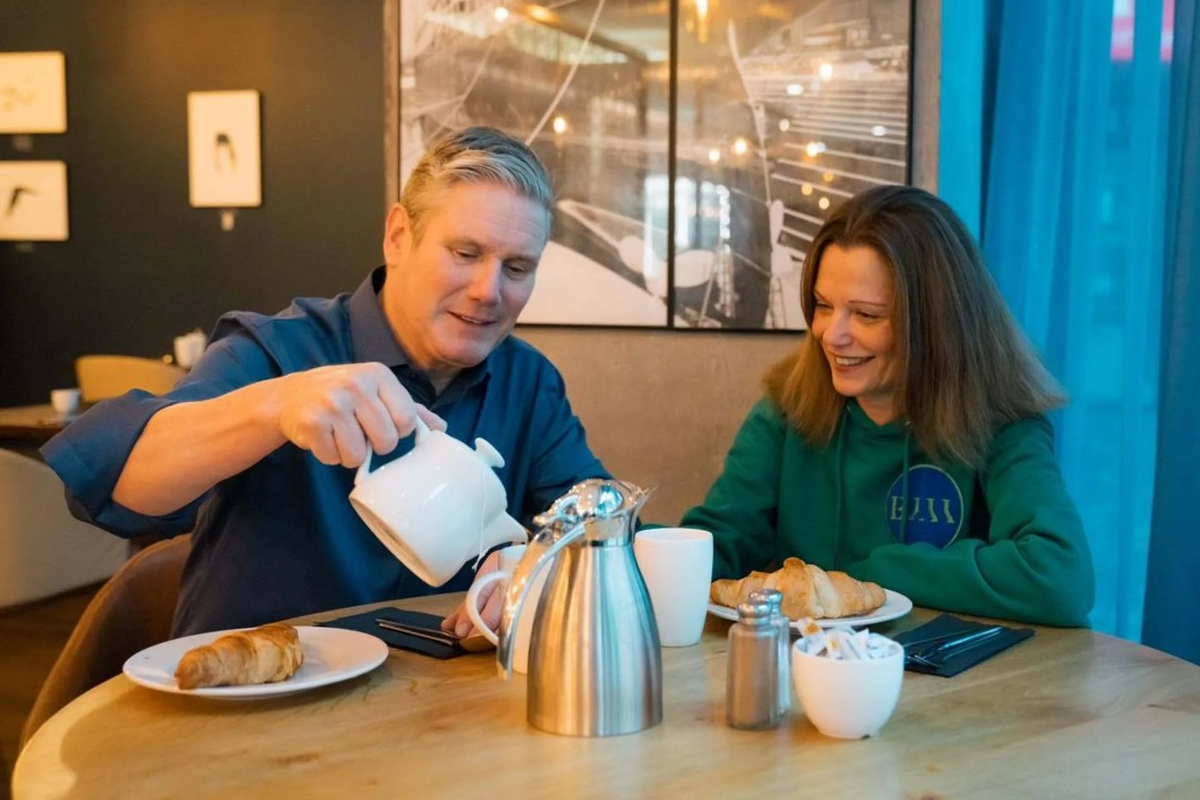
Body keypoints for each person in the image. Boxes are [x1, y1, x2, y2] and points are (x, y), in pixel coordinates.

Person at [43, 126, 608, 636]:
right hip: (258, 698)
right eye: (465, 253)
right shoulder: (280, 350)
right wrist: (276, 406)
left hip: (438, 701)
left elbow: (596, 517)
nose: (489, 291)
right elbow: (116, 486)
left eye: (517, 268)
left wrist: (534, 559)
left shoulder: (527, 382)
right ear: (398, 237)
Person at [681, 185, 1094, 627]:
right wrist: (637, 546)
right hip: (808, 667)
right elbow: (720, 544)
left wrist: (871, 574)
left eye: (866, 314)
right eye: (823, 305)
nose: (831, 335)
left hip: (952, 671)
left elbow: (1058, 577)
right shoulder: (785, 409)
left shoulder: (1003, 421)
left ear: (935, 323)